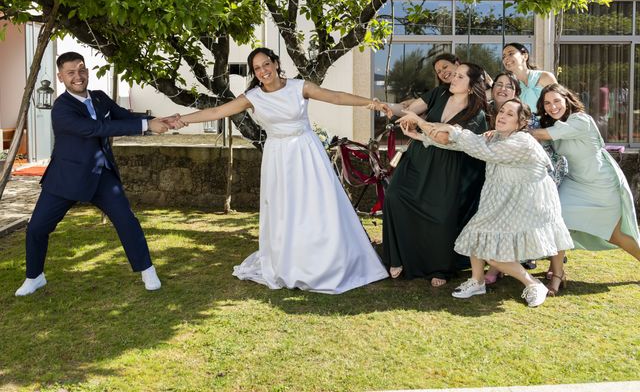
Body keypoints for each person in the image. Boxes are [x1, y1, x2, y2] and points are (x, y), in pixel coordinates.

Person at [172, 47, 389, 294]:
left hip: (307, 152)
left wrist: (371, 103)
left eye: (266, 64)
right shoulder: (253, 97)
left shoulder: (299, 87)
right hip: (278, 158)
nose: (263, 71)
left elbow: (336, 97)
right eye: (257, 68)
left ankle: (328, 261)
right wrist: (182, 119)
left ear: (275, 63)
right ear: (254, 72)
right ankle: (291, 261)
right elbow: (217, 111)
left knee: (317, 205)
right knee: (286, 209)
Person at [15, 52, 171, 296]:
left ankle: (147, 269)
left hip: (102, 176)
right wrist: (146, 126)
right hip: (66, 177)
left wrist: (158, 120)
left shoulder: (99, 98)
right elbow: (96, 129)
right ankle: (35, 277)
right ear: (61, 77)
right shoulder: (61, 109)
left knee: (127, 220)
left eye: (82, 70)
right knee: (36, 228)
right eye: (71, 73)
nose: (78, 76)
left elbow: (124, 117)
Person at [397, 98, 573, 306]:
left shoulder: (522, 142)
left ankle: (533, 283)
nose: (502, 116)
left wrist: (446, 128)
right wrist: (419, 135)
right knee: (476, 233)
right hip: (501, 196)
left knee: (492, 251)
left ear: (520, 123)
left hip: (527, 201)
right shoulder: (496, 137)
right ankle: (477, 281)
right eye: (502, 111)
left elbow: (478, 148)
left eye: (510, 114)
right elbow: (461, 146)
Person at [381, 62, 488, 286]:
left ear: (471, 86)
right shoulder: (439, 93)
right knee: (395, 197)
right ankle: (397, 257)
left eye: (460, 77)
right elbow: (410, 111)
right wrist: (386, 107)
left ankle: (439, 266)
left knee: (440, 215)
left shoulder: (476, 114)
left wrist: (421, 124)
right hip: (419, 156)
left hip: (448, 166)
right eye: (454, 75)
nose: (453, 79)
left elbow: (446, 139)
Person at [530, 84, 640, 278]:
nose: (552, 106)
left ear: (567, 100)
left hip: (601, 183)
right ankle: (557, 272)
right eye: (547, 103)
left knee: (615, 236)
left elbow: (543, 135)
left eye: (556, 101)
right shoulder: (553, 124)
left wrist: (516, 131)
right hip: (574, 182)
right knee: (558, 219)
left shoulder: (581, 120)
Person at [502, 42, 556, 112]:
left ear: (525, 56)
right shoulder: (508, 85)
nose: (506, 58)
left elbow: (559, 103)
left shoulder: (545, 77)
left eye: (511, 54)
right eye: (504, 56)